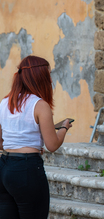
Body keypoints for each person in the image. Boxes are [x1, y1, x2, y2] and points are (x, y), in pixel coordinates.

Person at [0, 55, 73, 219]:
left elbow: (1, 142)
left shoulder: (5, 102)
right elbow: (52, 145)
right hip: (27, 169)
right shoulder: (40, 105)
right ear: (40, 77)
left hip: (4, 167)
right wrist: (63, 127)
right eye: (48, 74)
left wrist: (21, 144)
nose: (50, 79)